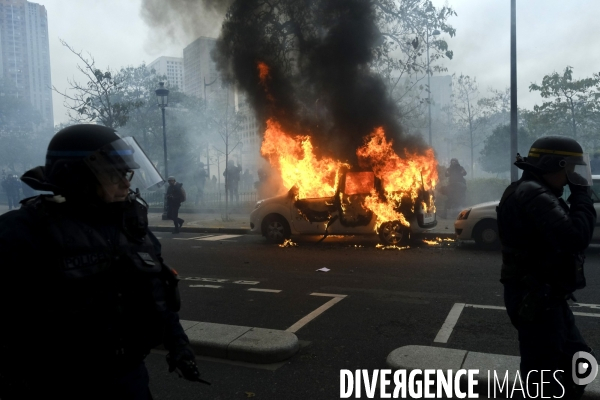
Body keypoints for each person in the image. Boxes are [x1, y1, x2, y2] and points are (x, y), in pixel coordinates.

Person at [0, 124, 202, 399]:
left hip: (129, 377)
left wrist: (179, 345)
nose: (126, 182)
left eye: (127, 172)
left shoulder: (132, 227)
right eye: (113, 173)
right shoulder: (23, 232)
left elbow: (157, 292)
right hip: (57, 383)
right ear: (77, 177)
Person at [497, 136, 596, 399]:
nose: (571, 178)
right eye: (570, 170)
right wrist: (582, 196)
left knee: (581, 362)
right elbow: (576, 237)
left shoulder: (534, 190)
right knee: (543, 381)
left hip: (548, 297)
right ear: (554, 164)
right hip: (535, 301)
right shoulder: (532, 193)